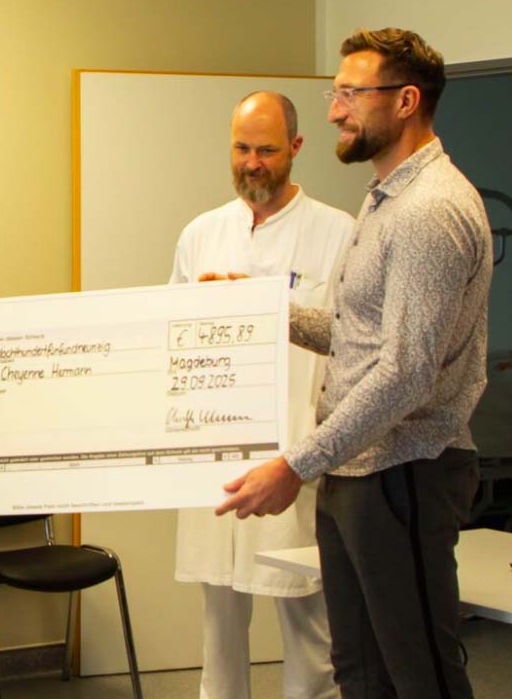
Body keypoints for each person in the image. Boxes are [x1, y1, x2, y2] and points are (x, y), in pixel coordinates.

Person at [215, 28, 491, 699]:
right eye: (334, 94)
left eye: (349, 94)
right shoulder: (384, 197)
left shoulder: (428, 210)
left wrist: (295, 464)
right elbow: (356, 334)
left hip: (404, 471)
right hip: (357, 471)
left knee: (418, 675)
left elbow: (404, 371)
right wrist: (264, 309)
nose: (335, 111)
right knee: (361, 674)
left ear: (405, 101)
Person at [171, 91, 352, 699]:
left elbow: (351, 343)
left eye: (267, 150)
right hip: (214, 453)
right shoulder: (201, 234)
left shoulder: (337, 233)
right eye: (242, 148)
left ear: (296, 147)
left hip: (295, 452)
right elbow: (171, 336)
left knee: (308, 623)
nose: (252, 163)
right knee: (219, 628)